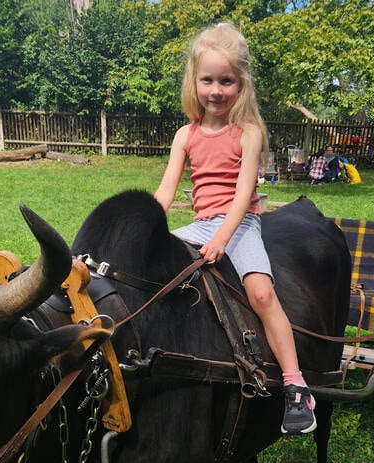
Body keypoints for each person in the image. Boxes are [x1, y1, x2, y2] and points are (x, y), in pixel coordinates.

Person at [154, 23, 317, 435]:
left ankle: (296, 385)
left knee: (261, 292)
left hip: (240, 225)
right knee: (151, 267)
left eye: (226, 80)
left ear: (240, 83)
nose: (216, 90)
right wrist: (148, 229)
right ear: (194, 81)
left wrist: (223, 240)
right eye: (207, 80)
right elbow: (167, 191)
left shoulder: (248, 133)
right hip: (200, 225)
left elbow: (243, 195)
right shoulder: (184, 135)